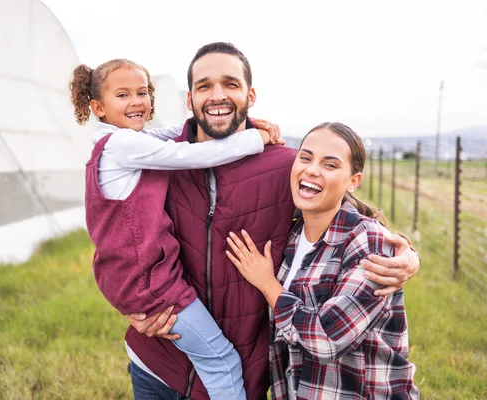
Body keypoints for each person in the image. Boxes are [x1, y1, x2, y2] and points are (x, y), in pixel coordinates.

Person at [126, 42, 421, 400]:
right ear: (190, 99)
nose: (218, 95)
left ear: (249, 95)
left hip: (239, 374)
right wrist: (130, 305)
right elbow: (115, 235)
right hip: (158, 364)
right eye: (205, 86)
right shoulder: (156, 160)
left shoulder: (284, 165)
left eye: (230, 84)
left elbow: (335, 203)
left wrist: (406, 256)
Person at [72, 58, 285, 399]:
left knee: (215, 359)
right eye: (123, 95)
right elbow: (191, 155)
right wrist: (255, 138)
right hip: (149, 281)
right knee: (222, 361)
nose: (136, 101)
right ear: (97, 106)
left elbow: (171, 134)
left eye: (142, 92)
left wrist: (245, 123)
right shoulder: (123, 146)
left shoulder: (120, 140)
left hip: (136, 276)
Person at [226, 122, 419, 399]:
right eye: (305, 158)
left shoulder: (367, 241)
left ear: (353, 181)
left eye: (330, 165)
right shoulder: (290, 235)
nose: (312, 170)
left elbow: (327, 339)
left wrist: (268, 284)